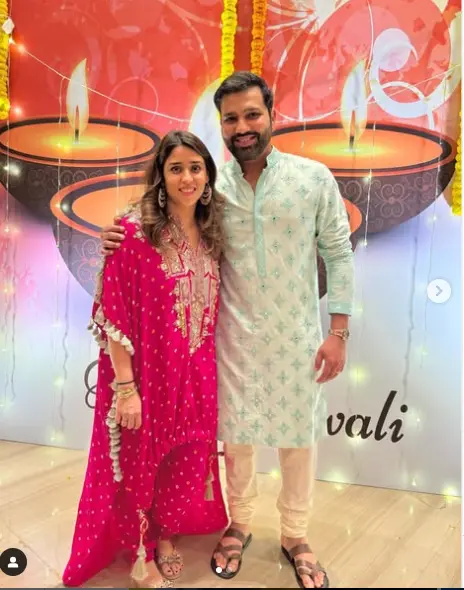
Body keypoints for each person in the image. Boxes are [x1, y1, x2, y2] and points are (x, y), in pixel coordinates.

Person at [101, 72, 354, 589]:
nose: (242, 126)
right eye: (231, 118)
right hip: (231, 340)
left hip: (298, 337)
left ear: (271, 115)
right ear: (222, 124)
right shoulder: (214, 187)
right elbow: (165, 215)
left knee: (299, 442)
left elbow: (337, 250)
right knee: (237, 440)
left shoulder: (312, 178)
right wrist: (115, 232)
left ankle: (295, 535)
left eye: (251, 114)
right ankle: (238, 523)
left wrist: (339, 331)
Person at [63, 130, 228, 589]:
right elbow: (112, 311)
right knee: (141, 464)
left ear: (208, 176)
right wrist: (125, 388)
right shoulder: (134, 232)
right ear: (161, 176)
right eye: (176, 168)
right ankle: (143, 551)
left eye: (196, 168)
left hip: (197, 375)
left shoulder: (214, 234)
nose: (187, 177)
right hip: (149, 376)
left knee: (188, 459)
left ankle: (166, 534)